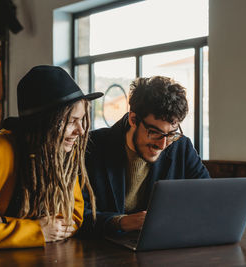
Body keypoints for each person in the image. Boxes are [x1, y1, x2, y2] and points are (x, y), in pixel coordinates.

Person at [0, 65, 103, 250]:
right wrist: (36, 231)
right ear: (44, 122)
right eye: (71, 121)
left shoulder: (64, 152)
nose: (81, 131)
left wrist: (3, 223)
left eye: (82, 119)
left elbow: (71, 219)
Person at [80, 76, 210, 237]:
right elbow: (77, 215)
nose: (162, 145)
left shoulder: (181, 147)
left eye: (171, 134)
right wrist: (120, 222)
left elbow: (207, 198)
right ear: (133, 119)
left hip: (164, 246)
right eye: (154, 133)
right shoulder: (90, 148)